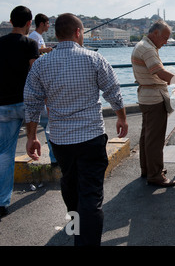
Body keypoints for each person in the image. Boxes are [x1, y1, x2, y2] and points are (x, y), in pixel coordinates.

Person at [24, 13, 128, 246]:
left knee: (70, 184)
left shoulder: (42, 63)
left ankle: (75, 224)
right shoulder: (94, 59)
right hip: (91, 137)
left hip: (60, 140)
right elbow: (113, 90)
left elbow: (31, 103)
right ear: (78, 32)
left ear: (57, 34)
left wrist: (31, 137)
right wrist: (121, 117)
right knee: (90, 195)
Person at [131, 20, 175, 188]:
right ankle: (155, 175)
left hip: (146, 95)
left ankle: (148, 169)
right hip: (153, 98)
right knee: (155, 139)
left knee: (147, 137)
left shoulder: (144, 45)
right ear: (156, 33)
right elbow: (159, 72)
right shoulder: (148, 49)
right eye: (165, 38)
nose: (166, 42)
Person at [0, 6, 39, 218]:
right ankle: (56, 159)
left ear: (10, 21)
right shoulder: (30, 43)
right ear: (28, 23)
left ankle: (1, 202)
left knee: (4, 153)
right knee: (51, 125)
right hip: (26, 102)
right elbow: (34, 71)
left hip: (3, 105)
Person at [28, 13, 57, 166]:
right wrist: (47, 50)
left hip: (38, 78)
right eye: (47, 23)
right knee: (47, 122)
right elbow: (33, 52)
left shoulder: (37, 36)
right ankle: (54, 158)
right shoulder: (34, 36)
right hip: (38, 79)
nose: (48, 26)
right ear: (41, 24)